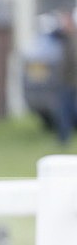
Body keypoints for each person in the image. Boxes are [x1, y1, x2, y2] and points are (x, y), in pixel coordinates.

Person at [53, 9, 77, 146]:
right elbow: (54, 33)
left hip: (71, 83)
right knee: (65, 111)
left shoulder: (72, 39)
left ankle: (64, 139)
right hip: (66, 82)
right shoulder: (66, 38)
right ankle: (63, 138)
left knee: (67, 111)